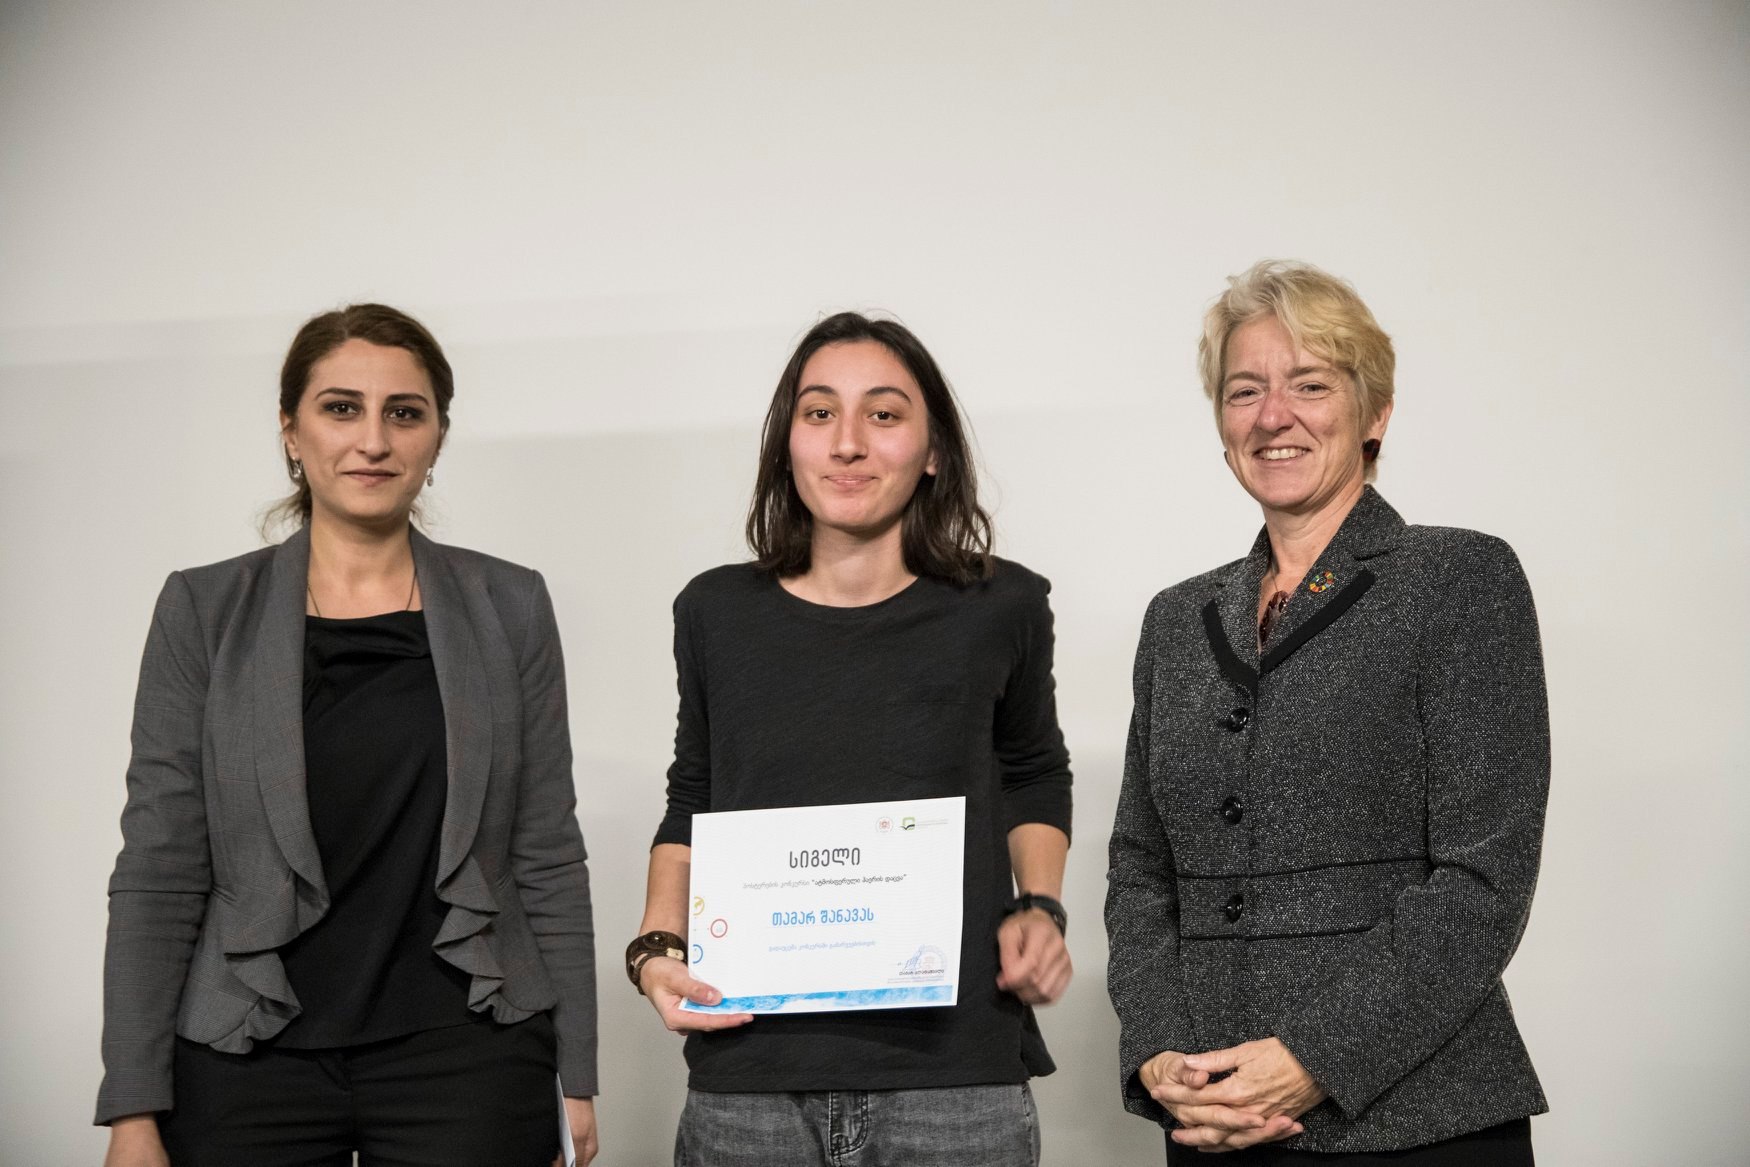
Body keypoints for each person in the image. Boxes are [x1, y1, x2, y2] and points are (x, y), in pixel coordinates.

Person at [96, 304, 599, 1166]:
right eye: (340, 408)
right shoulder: (203, 610)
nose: (373, 439)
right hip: (248, 1050)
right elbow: (160, 864)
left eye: (404, 412)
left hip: (467, 1051)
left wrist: (577, 1074)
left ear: (437, 437)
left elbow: (546, 848)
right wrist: (134, 1106)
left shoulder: (510, 604)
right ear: (291, 431)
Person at [1105, 261, 1549, 1164]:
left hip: (1418, 1123)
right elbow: (1141, 867)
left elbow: (1483, 879)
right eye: (1245, 390)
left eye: (1310, 384)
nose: (1273, 415)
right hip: (1216, 1118)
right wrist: (1160, 1052)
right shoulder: (1176, 620)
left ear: (1374, 412)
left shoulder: (1460, 579)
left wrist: (1313, 1056)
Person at [630, 311, 1074, 1167]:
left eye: (884, 413)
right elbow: (696, 794)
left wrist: (1040, 907)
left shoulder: (1004, 606)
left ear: (932, 449)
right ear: (788, 441)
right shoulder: (715, 611)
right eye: (820, 412)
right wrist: (655, 947)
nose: (847, 443)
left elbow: (1032, 772)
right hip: (751, 1075)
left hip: (953, 1079)